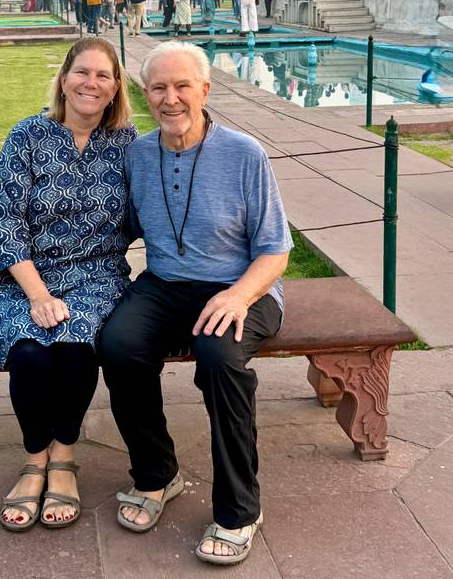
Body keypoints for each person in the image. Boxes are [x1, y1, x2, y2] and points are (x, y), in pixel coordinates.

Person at [100, 41, 291, 566]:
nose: (171, 98)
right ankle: (157, 476)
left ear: (204, 90)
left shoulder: (244, 153)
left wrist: (238, 294)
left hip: (242, 285)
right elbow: (122, 228)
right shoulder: (138, 153)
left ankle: (239, 510)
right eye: (158, 87)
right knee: (117, 344)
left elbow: (276, 249)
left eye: (182, 85)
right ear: (145, 94)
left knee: (217, 356)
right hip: (165, 283)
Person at [0, 39, 137, 532]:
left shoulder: (127, 142)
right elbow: (7, 225)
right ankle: (35, 460)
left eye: (103, 75)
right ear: (64, 79)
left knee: (77, 346)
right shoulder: (27, 136)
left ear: (115, 87)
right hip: (18, 279)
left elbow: (154, 205)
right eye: (82, 72)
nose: (91, 83)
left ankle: (64, 456)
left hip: (95, 276)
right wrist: (38, 294)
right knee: (32, 353)